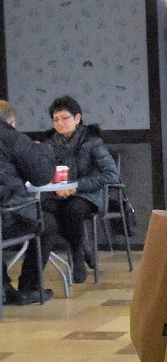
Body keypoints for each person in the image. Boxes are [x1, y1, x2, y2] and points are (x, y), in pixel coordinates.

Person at [42, 96, 119, 284]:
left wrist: (76, 186)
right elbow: (43, 172)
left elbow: (111, 175)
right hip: (58, 194)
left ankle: (77, 257)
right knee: (45, 211)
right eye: (56, 119)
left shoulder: (92, 141)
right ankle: (84, 247)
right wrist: (54, 186)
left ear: (77, 118)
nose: (60, 123)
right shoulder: (49, 143)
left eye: (65, 118)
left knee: (73, 210)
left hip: (87, 195)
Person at [0, 100, 58, 305]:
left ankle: (4, 287)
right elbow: (41, 176)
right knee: (47, 223)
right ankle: (29, 287)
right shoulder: (13, 139)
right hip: (7, 217)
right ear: (12, 121)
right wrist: (43, 151)